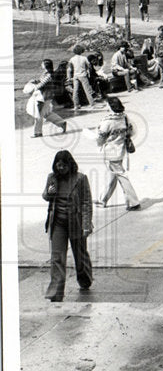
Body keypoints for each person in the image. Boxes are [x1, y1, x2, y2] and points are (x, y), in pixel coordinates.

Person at [42, 150, 94, 302]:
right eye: (58, 166)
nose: (60, 169)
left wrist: (86, 224)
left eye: (63, 166)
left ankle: (85, 279)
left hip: (76, 222)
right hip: (58, 222)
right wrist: (49, 192)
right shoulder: (52, 178)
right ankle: (56, 293)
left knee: (80, 254)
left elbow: (86, 202)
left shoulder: (80, 178)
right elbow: (45, 196)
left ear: (70, 165)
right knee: (57, 257)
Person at [95, 97, 141, 210]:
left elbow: (100, 138)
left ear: (111, 107)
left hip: (111, 152)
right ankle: (102, 199)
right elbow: (132, 131)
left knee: (121, 175)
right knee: (113, 175)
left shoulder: (107, 121)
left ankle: (133, 202)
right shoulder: (124, 117)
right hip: (121, 149)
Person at [25, 60, 68, 138]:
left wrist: (32, 87)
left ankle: (38, 132)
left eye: (42, 63)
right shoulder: (47, 73)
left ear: (45, 65)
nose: (41, 64)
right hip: (47, 96)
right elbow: (41, 81)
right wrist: (35, 81)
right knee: (46, 113)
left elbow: (41, 85)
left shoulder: (48, 75)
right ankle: (61, 123)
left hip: (42, 96)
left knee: (39, 114)